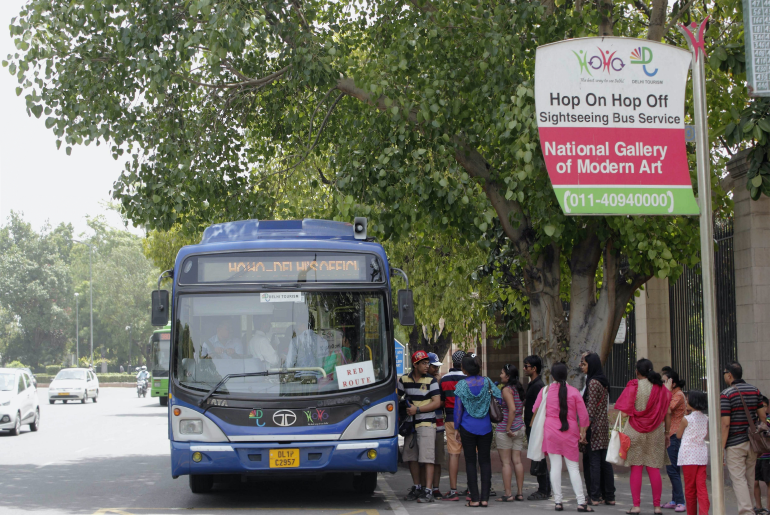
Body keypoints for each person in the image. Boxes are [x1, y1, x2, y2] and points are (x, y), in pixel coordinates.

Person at [614, 358, 672, 515]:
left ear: (637, 371)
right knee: (654, 469)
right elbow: (668, 413)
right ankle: (657, 507)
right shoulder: (662, 389)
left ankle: (636, 506)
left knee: (637, 468)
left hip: (634, 431)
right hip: (656, 432)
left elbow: (624, 412)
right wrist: (667, 433)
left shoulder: (634, 386)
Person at [532, 362, 592, 512]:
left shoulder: (545, 391)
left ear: (552, 376)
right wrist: (583, 433)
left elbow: (535, 409)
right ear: (566, 375)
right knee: (573, 468)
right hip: (570, 432)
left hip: (551, 431)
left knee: (555, 467)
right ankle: (581, 502)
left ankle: (558, 501)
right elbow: (584, 416)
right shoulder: (574, 392)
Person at [453, 354, 500, 507]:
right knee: (485, 462)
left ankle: (474, 499)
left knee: (470, 462)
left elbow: (458, 409)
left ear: (464, 368)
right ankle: (485, 498)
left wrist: (456, 427)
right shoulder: (487, 382)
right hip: (485, 427)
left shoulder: (461, 385)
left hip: (467, 427)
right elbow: (499, 397)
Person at [721, 361, 767, 515]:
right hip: (752, 442)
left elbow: (725, 424)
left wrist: (722, 447)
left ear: (729, 375)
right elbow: (762, 417)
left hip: (735, 443)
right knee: (749, 478)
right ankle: (750, 509)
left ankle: (747, 512)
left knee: (739, 480)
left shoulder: (726, 394)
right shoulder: (755, 390)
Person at [398, 350, 442, 503]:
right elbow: (397, 397)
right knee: (412, 457)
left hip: (427, 423)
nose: (427, 366)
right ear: (415, 365)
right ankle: (417, 487)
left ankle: (428, 490)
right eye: (423, 363)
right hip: (411, 424)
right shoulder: (404, 380)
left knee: (427, 458)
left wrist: (417, 409)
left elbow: (436, 402)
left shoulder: (432, 381)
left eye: (427, 363)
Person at [579, 352, 616, 506]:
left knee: (594, 462)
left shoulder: (593, 383)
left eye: (584, 364)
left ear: (591, 365)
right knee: (605, 462)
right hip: (602, 426)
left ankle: (594, 496)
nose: (582, 367)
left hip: (594, 428)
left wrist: (583, 431)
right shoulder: (602, 381)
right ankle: (609, 496)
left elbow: (590, 411)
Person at [495, 364, 526, 502]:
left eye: (502, 373)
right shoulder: (518, 388)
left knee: (506, 463)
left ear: (507, 376)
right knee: (517, 461)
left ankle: (508, 494)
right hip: (520, 427)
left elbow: (512, 409)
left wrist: (508, 428)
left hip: (506, 429)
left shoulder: (507, 390)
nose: (500, 375)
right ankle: (519, 493)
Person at [439, 350, 466, 501]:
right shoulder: (469, 378)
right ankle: (471, 488)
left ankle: (453, 490)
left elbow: (442, 401)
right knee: (470, 455)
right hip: (467, 420)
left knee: (453, 455)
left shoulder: (444, 379)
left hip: (450, 418)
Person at [677, 390, 710, 515]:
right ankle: (704, 512)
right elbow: (705, 435)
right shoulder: (705, 418)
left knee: (690, 488)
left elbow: (679, 435)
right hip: (701, 454)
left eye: (687, 399)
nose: (686, 401)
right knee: (701, 487)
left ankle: (691, 513)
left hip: (688, 456)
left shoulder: (686, 419)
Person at [524, 354, 551, 500]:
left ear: (534, 369)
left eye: (527, 366)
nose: (524, 368)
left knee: (539, 458)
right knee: (537, 457)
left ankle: (544, 489)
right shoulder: (533, 385)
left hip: (536, 426)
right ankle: (545, 488)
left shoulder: (539, 386)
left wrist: (533, 425)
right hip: (532, 425)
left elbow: (539, 409)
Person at [661, 369, 687, 512]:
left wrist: (665, 392)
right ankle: (675, 499)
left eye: (665, 381)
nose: (662, 384)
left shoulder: (678, 395)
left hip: (674, 436)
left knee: (672, 470)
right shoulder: (672, 394)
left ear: (673, 383)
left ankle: (681, 502)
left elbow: (667, 408)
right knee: (672, 469)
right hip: (670, 435)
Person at [286, 308, 329, 379]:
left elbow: (289, 364)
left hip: (300, 379)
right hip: (318, 380)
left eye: (298, 325)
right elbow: (326, 364)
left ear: (303, 325)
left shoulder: (295, 341)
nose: (297, 327)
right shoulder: (323, 341)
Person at [424, 352, 445, 500]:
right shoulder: (422, 382)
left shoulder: (440, 382)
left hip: (438, 424)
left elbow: (442, 402)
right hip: (424, 424)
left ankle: (436, 488)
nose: (436, 369)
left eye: (437, 367)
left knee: (437, 459)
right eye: (433, 367)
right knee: (425, 459)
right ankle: (425, 488)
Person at [755, 396, 770, 515]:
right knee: (755, 482)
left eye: (764, 406)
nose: (763, 408)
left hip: (767, 457)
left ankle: (768, 508)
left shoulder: (768, 420)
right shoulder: (755, 420)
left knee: (768, 482)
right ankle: (758, 506)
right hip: (756, 456)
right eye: (761, 406)